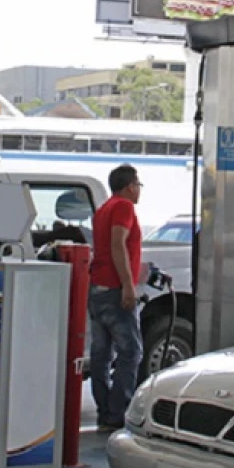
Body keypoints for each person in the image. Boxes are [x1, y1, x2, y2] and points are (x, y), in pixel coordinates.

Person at [88, 164, 144, 432]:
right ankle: (118, 412)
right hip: (114, 289)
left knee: (101, 354)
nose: (139, 190)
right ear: (130, 186)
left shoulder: (103, 210)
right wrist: (128, 286)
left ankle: (104, 411)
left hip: (97, 288)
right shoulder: (123, 207)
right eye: (138, 185)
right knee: (130, 351)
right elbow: (117, 244)